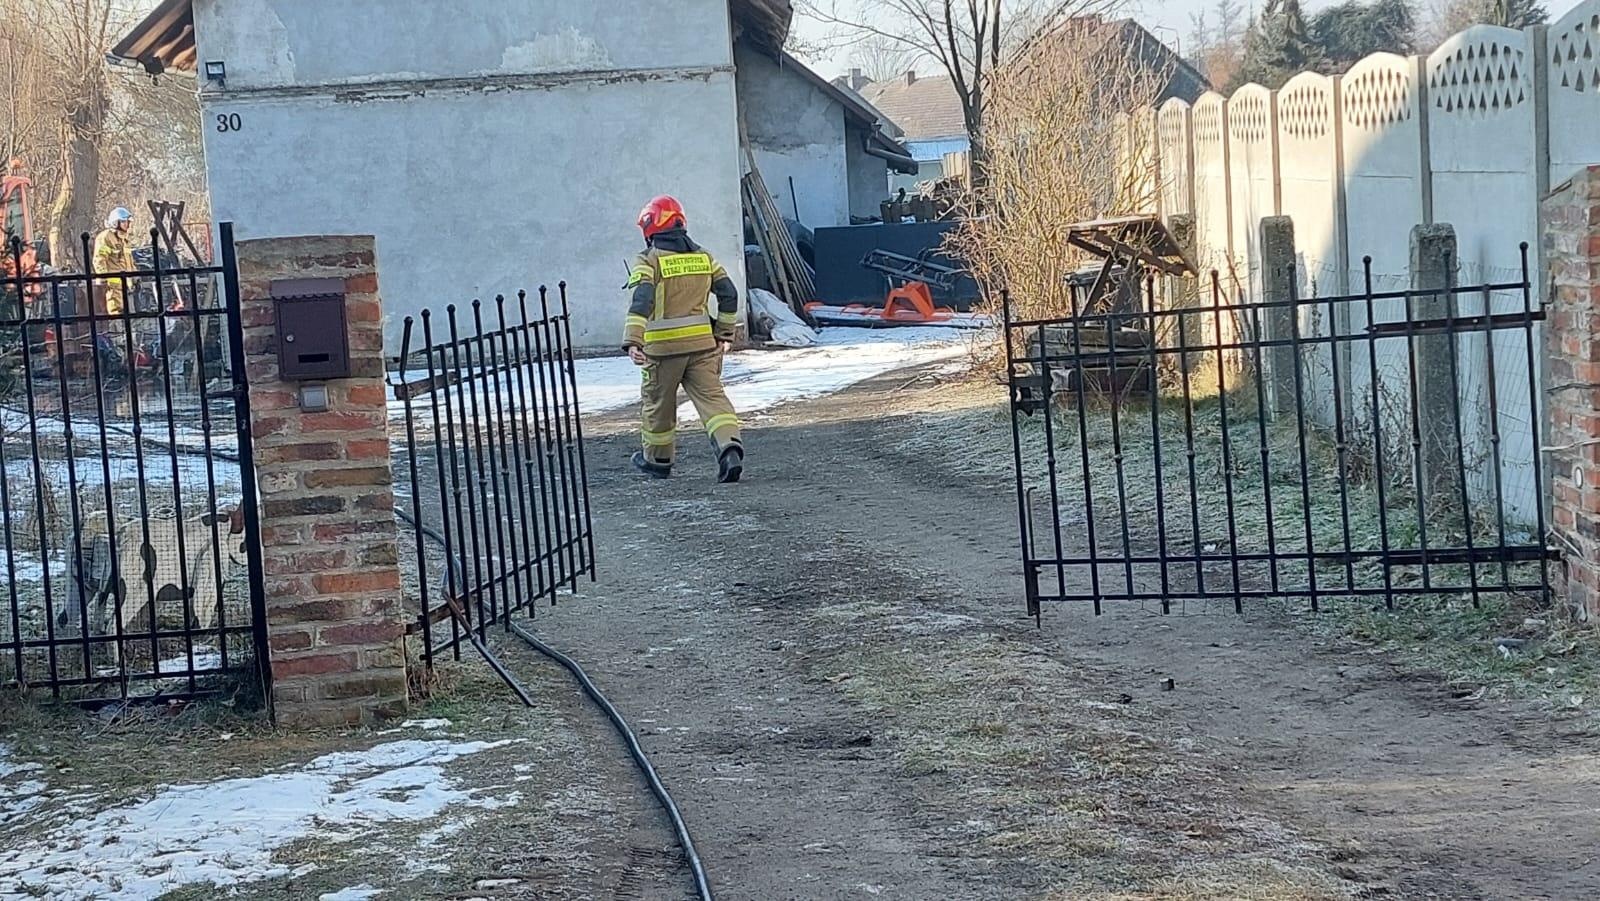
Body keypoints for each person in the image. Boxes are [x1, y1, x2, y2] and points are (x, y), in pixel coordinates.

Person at [623, 195, 744, 483]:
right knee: (713, 400)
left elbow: (642, 299)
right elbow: (729, 295)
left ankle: (658, 461)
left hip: (662, 352)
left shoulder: (648, 260)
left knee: (659, 406)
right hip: (703, 347)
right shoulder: (704, 257)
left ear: (650, 227)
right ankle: (729, 448)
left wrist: (633, 341)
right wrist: (723, 334)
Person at [92, 207, 135, 316]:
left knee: (129, 316)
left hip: (126, 285)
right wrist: (103, 278)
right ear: (115, 222)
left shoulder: (124, 239)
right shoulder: (106, 237)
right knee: (116, 314)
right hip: (112, 286)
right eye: (124, 221)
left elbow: (129, 261)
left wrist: (135, 277)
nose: (127, 224)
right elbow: (99, 259)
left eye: (127, 221)